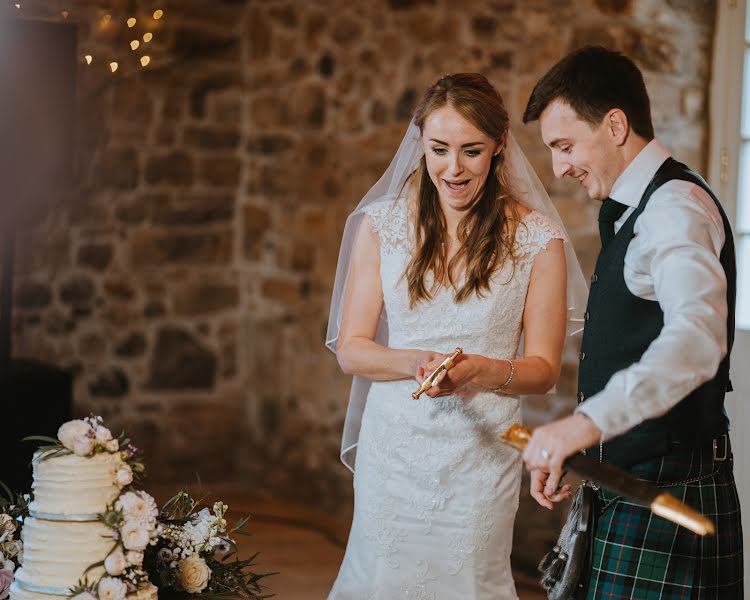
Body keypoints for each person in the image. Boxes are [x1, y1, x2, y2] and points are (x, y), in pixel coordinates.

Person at [325, 73, 588, 599]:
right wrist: (417, 362)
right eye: (439, 149)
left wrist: (483, 372)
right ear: (419, 143)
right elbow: (352, 348)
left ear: (499, 148)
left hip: (480, 456)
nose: (453, 167)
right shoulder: (381, 226)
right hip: (392, 451)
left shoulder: (539, 240)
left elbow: (543, 370)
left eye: (471, 151)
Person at [521, 46, 743, 598]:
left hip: (672, 498)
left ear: (615, 124)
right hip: (628, 491)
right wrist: (585, 452)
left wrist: (584, 423)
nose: (559, 167)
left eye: (565, 145)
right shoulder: (639, 204)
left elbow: (697, 337)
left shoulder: (675, 209)